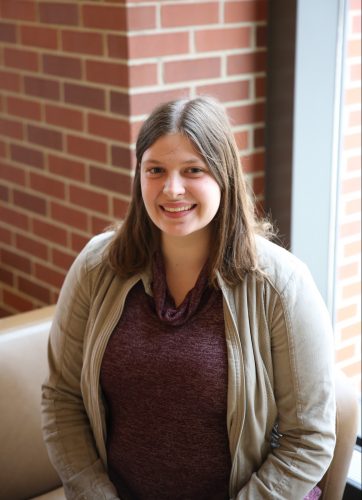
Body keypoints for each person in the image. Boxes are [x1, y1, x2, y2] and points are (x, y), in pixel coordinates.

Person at [41, 96, 336, 500]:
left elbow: (309, 438)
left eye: (193, 170)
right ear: (139, 176)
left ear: (224, 175)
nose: (172, 189)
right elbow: (62, 399)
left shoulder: (281, 285)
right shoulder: (97, 267)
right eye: (156, 170)